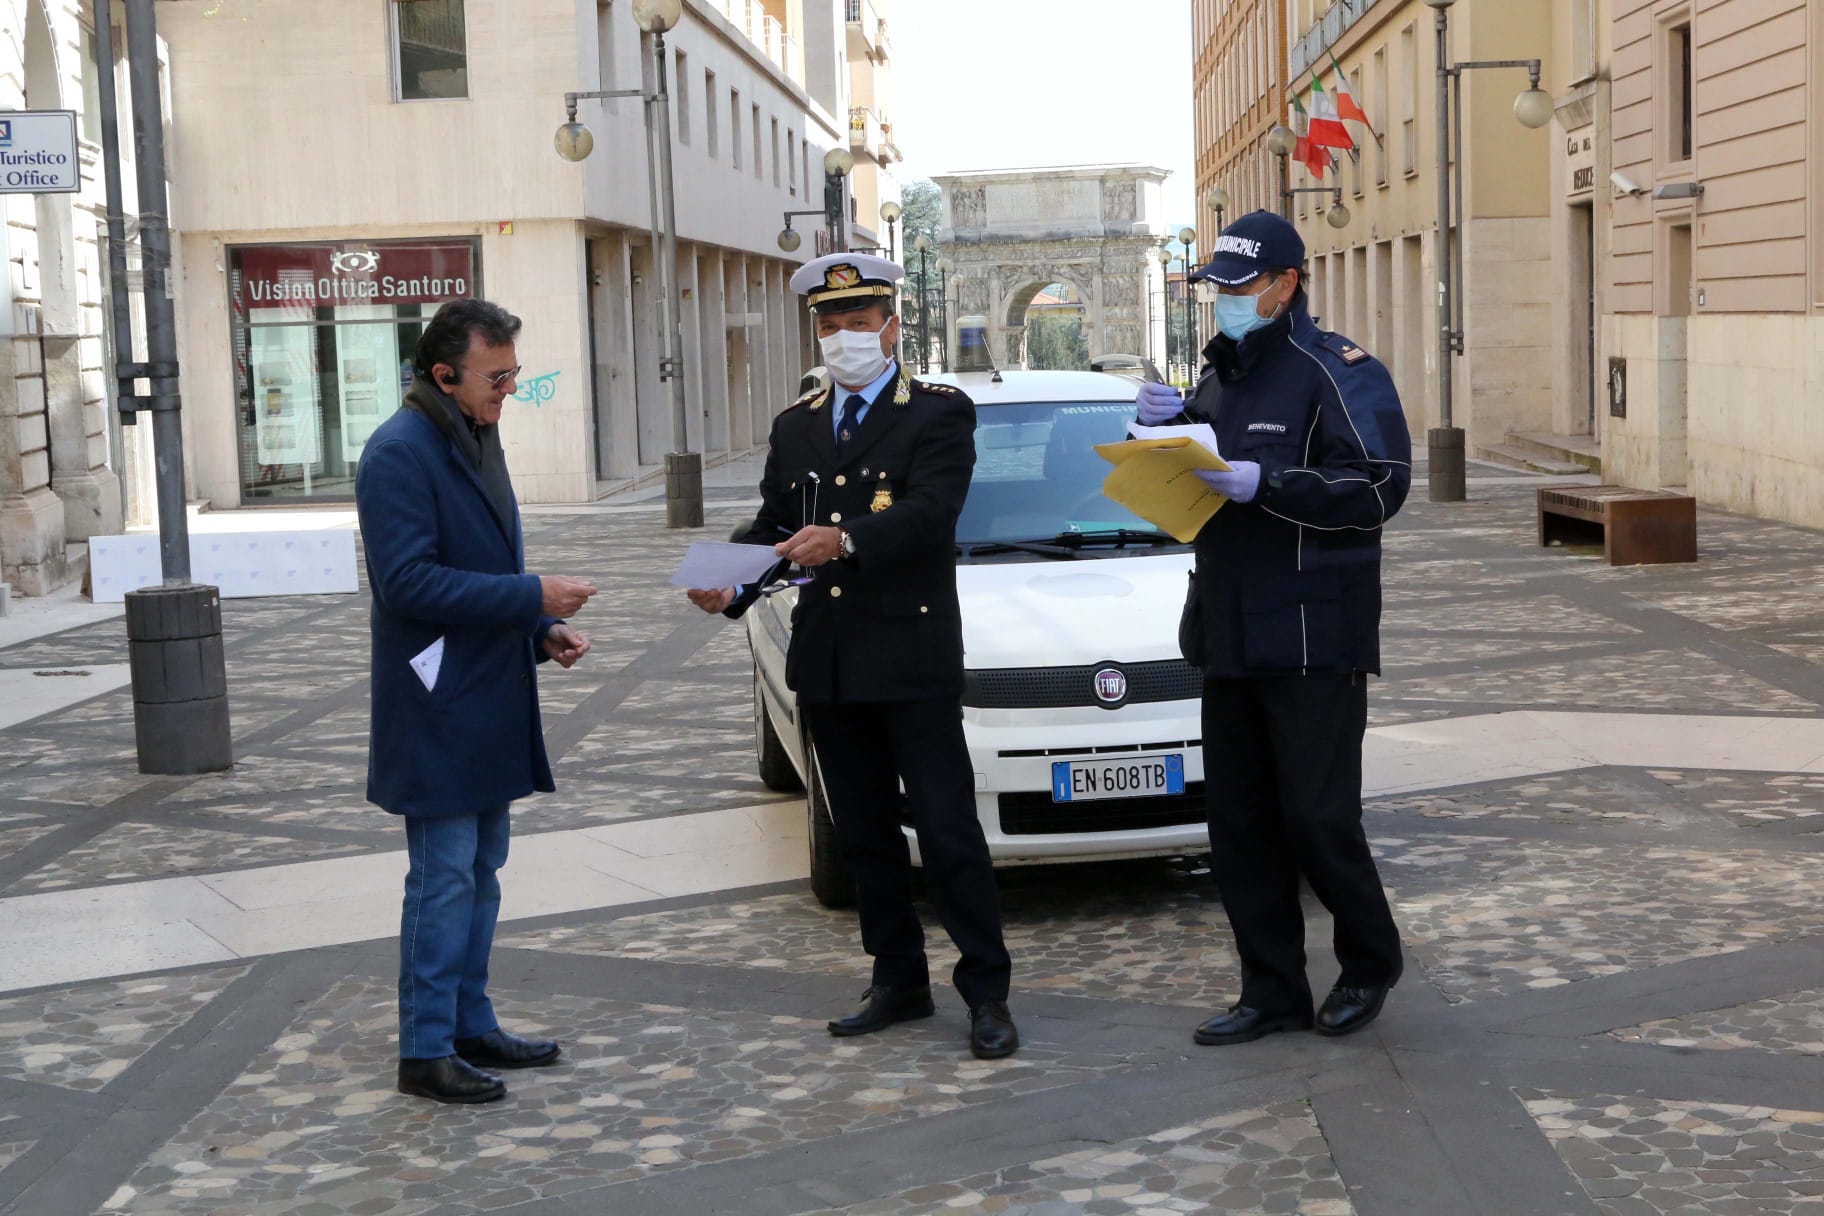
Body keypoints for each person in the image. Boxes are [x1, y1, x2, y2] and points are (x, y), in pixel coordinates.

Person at [686, 252, 1018, 1060]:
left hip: (911, 658)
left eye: (859, 322)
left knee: (946, 832)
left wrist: (849, 539)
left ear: (892, 327)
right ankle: (897, 977)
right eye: (830, 324)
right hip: (831, 662)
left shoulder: (938, 413)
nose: (844, 337)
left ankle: (986, 992)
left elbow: (932, 514)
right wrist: (731, 585)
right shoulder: (797, 423)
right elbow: (774, 524)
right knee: (863, 833)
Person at [1135, 211, 1411, 1047]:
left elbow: (1377, 487)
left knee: (1319, 818)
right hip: (1229, 630)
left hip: (1312, 637)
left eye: (1239, 286)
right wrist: (1161, 434)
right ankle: (1272, 988)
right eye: (1215, 288)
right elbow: (1195, 487)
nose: (1223, 301)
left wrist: (1267, 481)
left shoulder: (1337, 372)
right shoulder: (1219, 379)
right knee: (1241, 827)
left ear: (1286, 284)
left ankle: (1368, 961)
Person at [356, 299, 598, 1103]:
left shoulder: (473, 432)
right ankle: (424, 1048)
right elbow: (407, 582)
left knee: (482, 871)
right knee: (444, 876)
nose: (509, 391)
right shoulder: (398, 451)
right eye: (498, 379)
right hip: (436, 702)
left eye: (514, 376)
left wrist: (537, 626)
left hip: (485, 691)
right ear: (444, 373)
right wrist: (531, 591)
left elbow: (479, 565)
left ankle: (469, 1023)